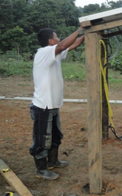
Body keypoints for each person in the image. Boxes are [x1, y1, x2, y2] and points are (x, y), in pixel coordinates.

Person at [30, 27, 85, 180]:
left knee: (55, 135)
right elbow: (62, 45)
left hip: (52, 104)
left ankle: (53, 161)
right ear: (50, 41)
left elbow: (72, 45)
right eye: (56, 37)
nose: (59, 39)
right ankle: (41, 170)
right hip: (43, 106)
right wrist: (78, 30)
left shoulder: (53, 54)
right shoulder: (44, 52)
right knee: (43, 139)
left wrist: (85, 35)